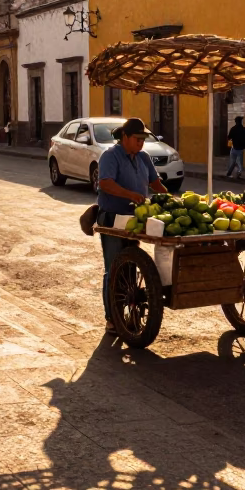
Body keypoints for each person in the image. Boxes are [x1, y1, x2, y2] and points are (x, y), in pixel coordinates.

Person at [97, 117, 168, 333]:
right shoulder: (110, 156)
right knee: (114, 266)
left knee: (131, 264)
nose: (141, 143)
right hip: (112, 218)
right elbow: (105, 183)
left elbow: (155, 183)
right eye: (137, 139)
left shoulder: (143, 157)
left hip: (134, 219)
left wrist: (170, 199)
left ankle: (129, 313)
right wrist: (131, 195)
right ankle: (112, 317)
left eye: (143, 140)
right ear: (125, 137)